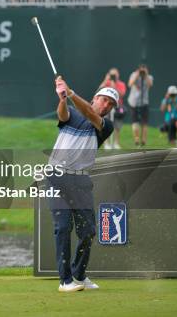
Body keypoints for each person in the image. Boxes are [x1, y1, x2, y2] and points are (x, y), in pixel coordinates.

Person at [47, 78, 117, 292]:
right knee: (63, 228)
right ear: (95, 97)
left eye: (110, 104)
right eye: (104, 100)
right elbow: (63, 115)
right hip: (57, 175)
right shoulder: (72, 111)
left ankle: (79, 275)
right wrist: (62, 98)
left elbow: (89, 114)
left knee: (88, 232)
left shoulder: (105, 125)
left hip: (81, 180)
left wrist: (70, 92)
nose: (106, 105)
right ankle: (65, 281)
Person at [99, 68, 127, 149]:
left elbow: (122, 94)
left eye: (115, 75)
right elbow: (99, 90)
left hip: (118, 106)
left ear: (118, 75)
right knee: (105, 125)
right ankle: (106, 143)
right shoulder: (106, 83)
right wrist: (105, 80)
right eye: (112, 75)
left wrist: (114, 85)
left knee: (117, 125)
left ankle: (116, 143)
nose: (113, 76)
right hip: (106, 106)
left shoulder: (121, 84)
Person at [127, 64, 153, 147]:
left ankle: (144, 140)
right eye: (141, 70)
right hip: (133, 102)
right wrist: (137, 74)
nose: (142, 71)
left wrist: (146, 75)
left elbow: (150, 85)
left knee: (145, 122)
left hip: (144, 102)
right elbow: (130, 84)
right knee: (135, 121)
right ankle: (137, 138)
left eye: (144, 69)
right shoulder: (134, 75)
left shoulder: (149, 77)